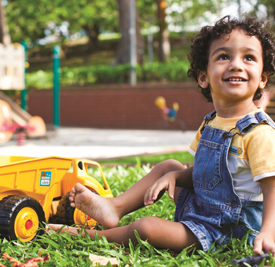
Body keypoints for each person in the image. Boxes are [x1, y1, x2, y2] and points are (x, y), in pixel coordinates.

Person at [48, 15, 275, 254]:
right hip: (203, 209)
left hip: (229, 230)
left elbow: (271, 188)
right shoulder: (211, 123)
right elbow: (204, 175)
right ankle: (114, 208)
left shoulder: (258, 133)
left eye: (248, 57)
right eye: (223, 56)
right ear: (203, 77)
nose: (236, 64)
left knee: (147, 228)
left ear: (262, 78)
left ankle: (95, 235)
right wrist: (176, 178)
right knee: (169, 167)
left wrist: (268, 231)